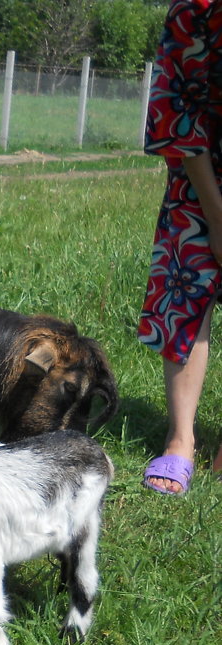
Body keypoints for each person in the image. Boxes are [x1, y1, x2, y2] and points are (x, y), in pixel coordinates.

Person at [139, 0, 222, 495]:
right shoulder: (196, 9)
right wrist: (216, 216)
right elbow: (177, 111)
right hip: (202, 175)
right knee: (187, 292)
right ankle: (180, 440)